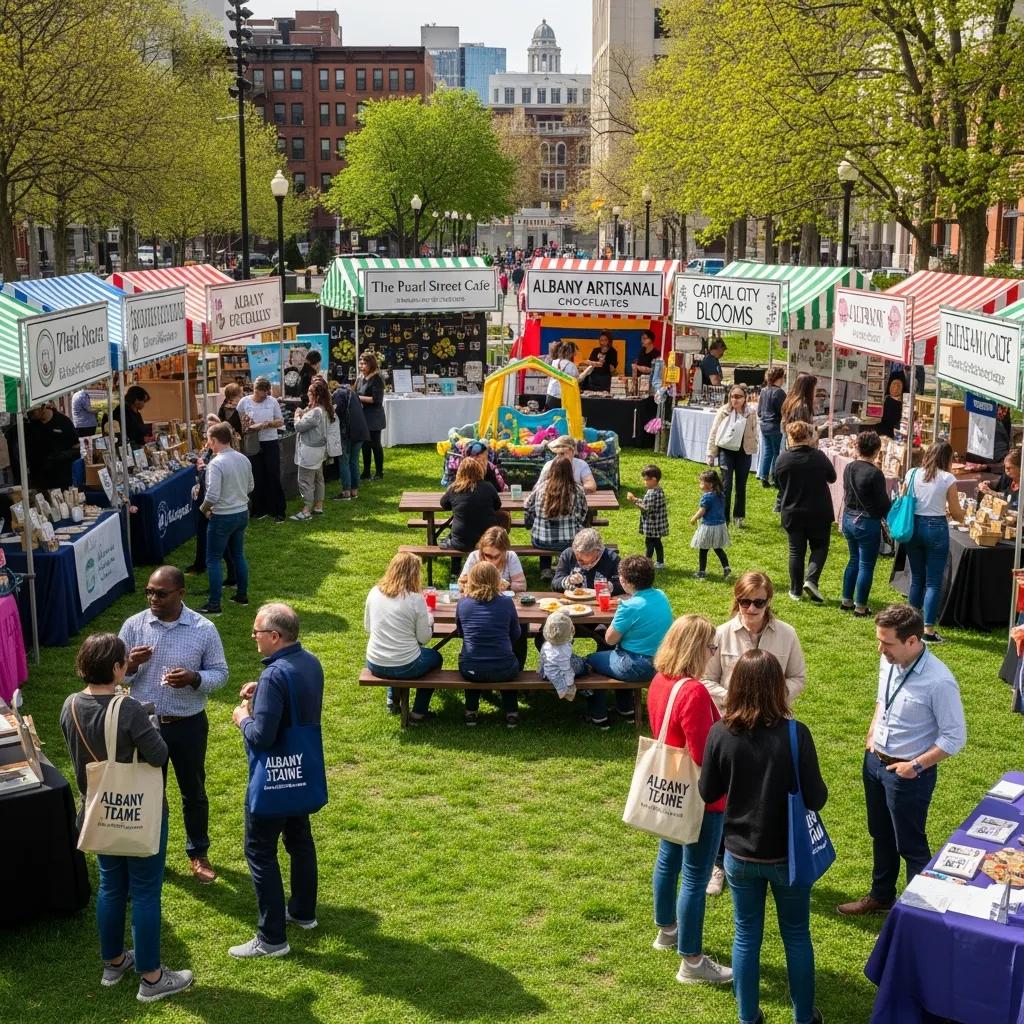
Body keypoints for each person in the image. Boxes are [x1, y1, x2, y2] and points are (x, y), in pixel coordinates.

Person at [60, 633, 194, 1003]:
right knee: (146, 892)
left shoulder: (69, 705)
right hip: (138, 810)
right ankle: (152, 978)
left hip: (98, 810)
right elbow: (158, 755)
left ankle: (114, 962)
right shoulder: (130, 708)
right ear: (118, 668)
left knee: (111, 886)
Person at [699, 649, 828, 1024]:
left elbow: (708, 792)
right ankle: (804, 1017)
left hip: (739, 856)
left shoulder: (720, 733)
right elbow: (817, 797)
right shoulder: (795, 734)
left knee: (745, 936)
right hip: (788, 855)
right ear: (776, 688)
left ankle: (747, 1016)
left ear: (735, 685)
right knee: (797, 935)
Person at [837, 604, 966, 916]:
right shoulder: (890, 661)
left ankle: (917, 914)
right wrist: (871, 734)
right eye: (879, 641)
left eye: (887, 643)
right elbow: (883, 700)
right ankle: (881, 896)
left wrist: (916, 765)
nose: (881, 649)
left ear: (913, 641)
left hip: (908, 774)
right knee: (880, 833)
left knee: (911, 844)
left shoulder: (939, 681)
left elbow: (955, 737)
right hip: (875, 763)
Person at [118, 565, 229, 884]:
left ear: (181, 594)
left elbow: (220, 674)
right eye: (149, 592)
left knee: (192, 790)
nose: (153, 598)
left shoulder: (203, 629)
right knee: (148, 792)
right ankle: (149, 850)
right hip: (145, 726)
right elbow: (115, 676)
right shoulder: (134, 625)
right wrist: (130, 665)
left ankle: (198, 853)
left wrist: (195, 678)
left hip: (188, 724)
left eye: (161, 593)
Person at [230, 603, 325, 958]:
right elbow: (297, 702)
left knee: (259, 850)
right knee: (300, 839)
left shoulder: (274, 675)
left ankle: (271, 939)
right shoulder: (310, 662)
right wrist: (265, 693)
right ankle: (302, 913)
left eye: (256, 633)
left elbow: (262, 737)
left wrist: (242, 717)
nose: (253, 638)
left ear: (274, 636)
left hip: (273, 779)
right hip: (301, 771)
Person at [648, 614, 733, 986]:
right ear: (697, 648)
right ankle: (693, 961)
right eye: (711, 647)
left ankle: (667, 930)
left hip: (670, 789)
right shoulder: (694, 692)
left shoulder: (660, 680)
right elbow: (703, 755)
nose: (714, 653)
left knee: (668, 860)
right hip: (701, 798)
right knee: (696, 879)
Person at [585, 555, 673, 727]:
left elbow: (610, 639)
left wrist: (620, 611)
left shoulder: (628, 607)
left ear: (626, 581)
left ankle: (598, 715)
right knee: (615, 655)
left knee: (592, 659)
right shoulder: (661, 596)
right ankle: (625, 707)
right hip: (661, 662)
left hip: (637, 665)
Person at [703, 572, 807, 714]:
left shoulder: (788, 634)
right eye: (745, 602)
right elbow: (707, 679)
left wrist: (775, 697)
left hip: (774, 719)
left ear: (768, 601)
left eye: (759, 603)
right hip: (731, 719)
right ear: (737, 600)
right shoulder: (720, 634)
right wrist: (732, 698)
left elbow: (797, 677)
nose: (751, 609)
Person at [364, 551, 440, 721]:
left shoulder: (374, 592)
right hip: (405, 665)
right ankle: (419, 711)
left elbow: (368, 627)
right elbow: (424, 638)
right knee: (435, 658)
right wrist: (429, 619)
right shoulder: (415, 599)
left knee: (399, 652)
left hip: (374, 662)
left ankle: (392, 699)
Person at [904, 440, 964, 643]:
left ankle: (909, 623)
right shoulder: (947, 478)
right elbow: (956, 512)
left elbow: (904, 497)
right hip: (936, 527)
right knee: (933, 581)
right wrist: (961, 517)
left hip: (913, 526)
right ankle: (928, 630)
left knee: (917, 577)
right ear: (947, 458)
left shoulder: (912, 473)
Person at [774, 420, 836, 603]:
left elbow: (778, 483)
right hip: (819, 510)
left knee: (796, 552)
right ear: (809, 436)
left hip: (793, 511)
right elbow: (832, 477)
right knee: (820, 547)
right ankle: (811, 580)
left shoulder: (783, 458)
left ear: (790, 437)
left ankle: (795, 591)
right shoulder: (819, 457)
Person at [456, 561, 523, 728]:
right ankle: (511, 712)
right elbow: (516, 634)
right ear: (496, 580)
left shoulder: (463, 604)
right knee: (506, 661)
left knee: (473, 659)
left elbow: (460, 633)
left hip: (471, 670)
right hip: (505, 669)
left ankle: (471, 711)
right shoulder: (507, 603)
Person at [200, 422, 254, 613]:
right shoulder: (242, 458)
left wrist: (203, 508)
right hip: (241, 513)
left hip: (223, 516)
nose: (208, 444)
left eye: (208, 440)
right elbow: (250, 487)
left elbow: (212, 495)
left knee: (213, 559)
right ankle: (242, 595)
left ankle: (214, 603)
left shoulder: (216, 463)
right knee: (238, 554)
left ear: (214, 440)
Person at [840, 431, 892, 615]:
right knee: (866, 565)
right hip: (866, 522)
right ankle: (860, 606)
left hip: (848, 518)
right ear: (877, 450)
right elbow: (883, 503)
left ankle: (846, 600)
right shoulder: (875, 473)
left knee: (854, 559)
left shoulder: (849, 467)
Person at [524, 456, 589, 578]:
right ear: (570, 471)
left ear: (552, 470)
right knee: (577, 533)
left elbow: (528, 506)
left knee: (544, 533)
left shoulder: (540, 487)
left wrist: (531, 523)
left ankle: (545, 569)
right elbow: (583, 514)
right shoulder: (578, 490)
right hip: (569, 541)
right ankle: (567, 569)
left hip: (540, 541)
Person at [707, 385, 758, 526]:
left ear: (745, 398)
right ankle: (724, 517)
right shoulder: (724, 411)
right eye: (732, 396)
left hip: (744, 451)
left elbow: (755, 431)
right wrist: (711, 454)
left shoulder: (751, 412)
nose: (735, 399)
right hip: (726, 451)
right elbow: (714, 432)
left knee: (741, 485)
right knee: (726, 484)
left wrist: (755, 445)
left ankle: (739, 516)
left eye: (738, 397)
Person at [238, 377, 287, 523]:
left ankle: (278, 509)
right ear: (256, 390)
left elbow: (280, 421)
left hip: (270, 442)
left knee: (273, 475)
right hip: (253, 443)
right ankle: (259, 509)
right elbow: (238, 419)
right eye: (262, 393)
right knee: (256, 476)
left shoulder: (272, 401)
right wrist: (246, 425)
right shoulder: (244, 402)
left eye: (267, 392)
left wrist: (266, 424)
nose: (265, 395)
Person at [290, 376, 332, 522]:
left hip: (310, 451)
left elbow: (299, 427)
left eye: (309, 392)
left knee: (305, 481)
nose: (307, 394)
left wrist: (296, 416)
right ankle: (318, 506)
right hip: (318, 451)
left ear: (316, 395)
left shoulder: (316, 412)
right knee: (318, 479)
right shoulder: (324, 409)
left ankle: (306, 510)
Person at [439, 456, 502, 551]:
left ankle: (456, 565)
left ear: (460, 472)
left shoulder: (454, 489)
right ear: (479, 470)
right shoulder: (488, 486)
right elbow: (497, 505)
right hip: (488, 541)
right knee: (503, 517)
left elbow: (444, 504)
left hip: (461, 542)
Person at [12, 403, 80, 489]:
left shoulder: (63, 421)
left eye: (32, 412)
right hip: (39, 476)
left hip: (61, 474)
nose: (30, 415)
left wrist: (63, 455)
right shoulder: (30, 424)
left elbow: (76, 446)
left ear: (43, 408)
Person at [552, 528, 623, 595]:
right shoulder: (568, 554)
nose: (586, 566)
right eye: (580, 561)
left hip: (600, 602)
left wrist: (610, 587)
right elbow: (555, 583)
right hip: (574, 603)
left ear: (598, 552)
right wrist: (568, 580)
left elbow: (624, 585)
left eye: (592, 562)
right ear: (574, 550)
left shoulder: (612, 559)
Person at [689, 469, 731, 581]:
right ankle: (726, 568)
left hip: (708, 527)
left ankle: (702, 572)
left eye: (702, 482)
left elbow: (702, 511)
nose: (700, 484)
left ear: (710, 484)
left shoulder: (707, 497)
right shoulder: (721, 494)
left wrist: (694, 518)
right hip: (720, 526)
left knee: (703, 549)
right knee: (718, 548)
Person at [331, 378, 369, 500]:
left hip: (347, 432)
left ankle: (346, 491)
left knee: (344, 461)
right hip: (361, 431)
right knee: (354, 461)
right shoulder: (352, 393)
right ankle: (354, 491)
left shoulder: (337, 394)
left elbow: (335, 414)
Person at [458, 526, 527, 593]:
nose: (490, 560)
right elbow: (460, 584)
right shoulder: (474, 556)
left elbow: (522, 586)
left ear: (504, 552)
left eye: (496, 556)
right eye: (487, 555)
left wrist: (507, 586)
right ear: (482, 550)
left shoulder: (510, 556)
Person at [539, 611, 588, 700]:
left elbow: (542, 659)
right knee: (581, 663)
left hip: (545, 673)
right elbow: (566, 668)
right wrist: (570, 685)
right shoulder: (564, 649)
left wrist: (540, 670)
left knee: (571, 660)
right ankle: (586, 665)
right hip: (560, 674)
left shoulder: (546, 645)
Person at [627, 463, 668, 567]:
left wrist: (633, 500)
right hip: (657, 525)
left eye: (646, 480)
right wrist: (636, 499)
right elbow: (647, 503)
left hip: (652, 525)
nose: (644, 482)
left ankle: (647, 563)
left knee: (649, 544)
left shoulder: (652, 493)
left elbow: (645, 508)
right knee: (657, 543)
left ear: (653, 479)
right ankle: (660, 562)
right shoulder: (658, 490)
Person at [356, 353, 385, 479]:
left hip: (374, 417)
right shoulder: (361, 378)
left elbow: (376, 399)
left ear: (371, 364)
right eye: (360, 363)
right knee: (365, 445)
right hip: (363, 416)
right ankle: (366, 471)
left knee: (375, 444)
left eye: (364, 364)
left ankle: (379, 472)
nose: (361, 366)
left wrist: (358, 398)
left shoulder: (377, 379)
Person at [756, 367, 786, 487]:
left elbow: (759, 411)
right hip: (774, 425)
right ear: (779, 378)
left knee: (767, 451)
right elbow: (783, 410)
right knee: (776, 453)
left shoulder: (764, 391)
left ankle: (764, 475)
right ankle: (774, 477)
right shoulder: (779, 392)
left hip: (764, 425)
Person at [966, 402, 1012, 467]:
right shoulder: (971, 427)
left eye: (1005, 410)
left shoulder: (998, 430)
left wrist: (985, 467)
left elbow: (1003, 462)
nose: (1003, 413)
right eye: (1002, 408)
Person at [545, 342, 579, 410]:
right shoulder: (571, 366)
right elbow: (577, 380)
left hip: (551, 394)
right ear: (571, 352)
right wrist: (588, 370)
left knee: (550, 417)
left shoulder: (554, 362)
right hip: (562, 397)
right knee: (561, 418)